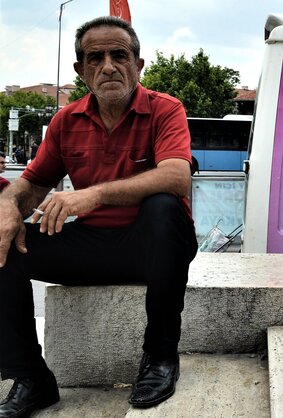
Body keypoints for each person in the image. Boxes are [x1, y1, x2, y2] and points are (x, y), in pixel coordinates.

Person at [0, 16, 197, 416]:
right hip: (93, 246)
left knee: (162, 206)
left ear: (138, 65)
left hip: (155, 245)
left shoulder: (165, 109)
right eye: (96, 58)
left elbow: (178, 177)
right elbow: (32, 184)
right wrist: (6, 208)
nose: (108, 66)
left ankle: (160, 358)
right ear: (81, 71)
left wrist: (91, 195)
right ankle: (31, 379)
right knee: (2, 247)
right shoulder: (65, 120)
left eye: (119, 55)